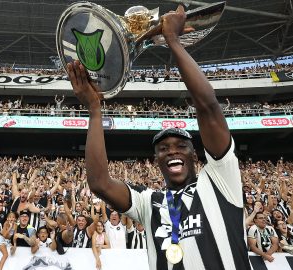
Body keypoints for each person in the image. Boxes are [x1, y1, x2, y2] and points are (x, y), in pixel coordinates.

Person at [68, 5, 250, 269]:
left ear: (194, 155)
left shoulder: (220, 181)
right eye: (163, 149)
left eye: (180, 146)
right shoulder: (149, 202)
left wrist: (173, 42)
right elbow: (99, 183)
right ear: (156, 160)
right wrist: (95, 111)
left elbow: (209, 107)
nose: (172, 151)